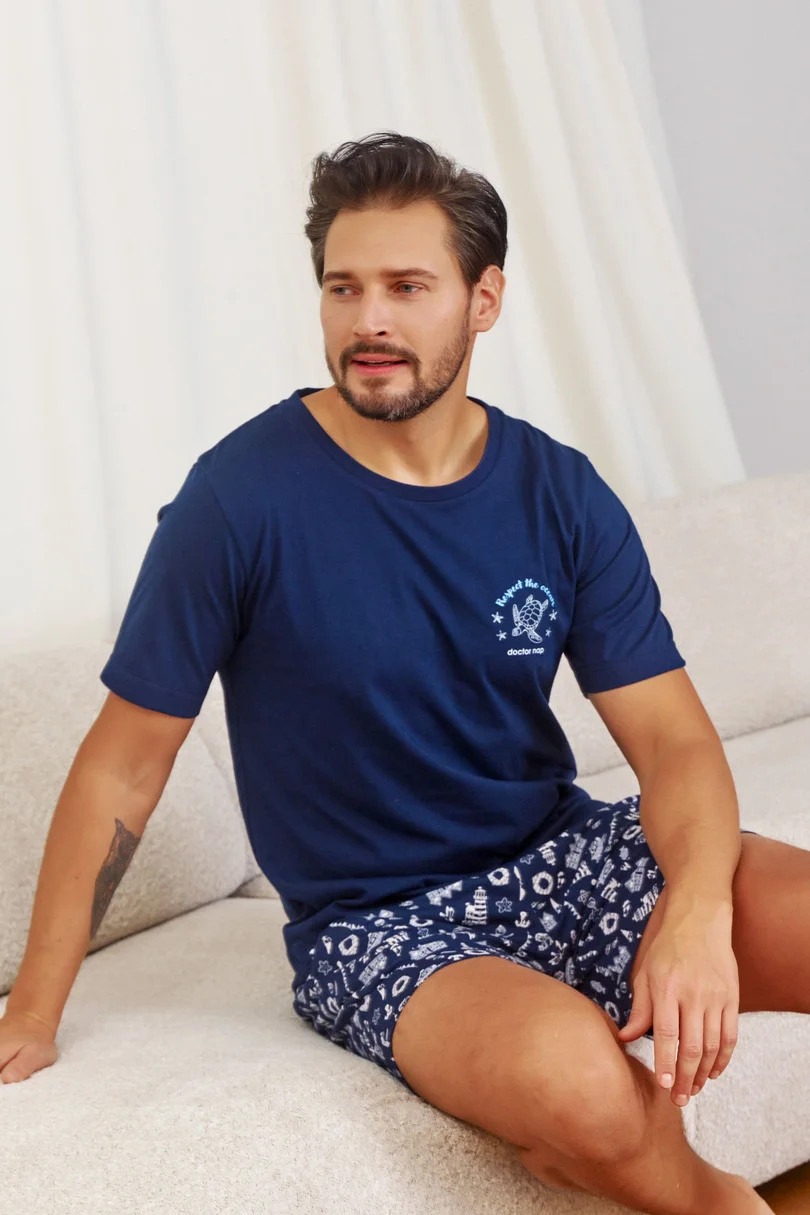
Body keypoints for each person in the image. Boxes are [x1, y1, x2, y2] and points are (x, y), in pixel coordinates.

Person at [6, 132, 799, 1214]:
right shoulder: (237, 500)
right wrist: (32, 1013)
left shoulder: (559, 491)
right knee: (583, 1088)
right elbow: (123, 768)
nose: (368, 320)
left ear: (484, 299)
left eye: (407, 287)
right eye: (344, 288)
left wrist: (695, 913)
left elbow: (673, 742)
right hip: (380, 926)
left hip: (568, 857)